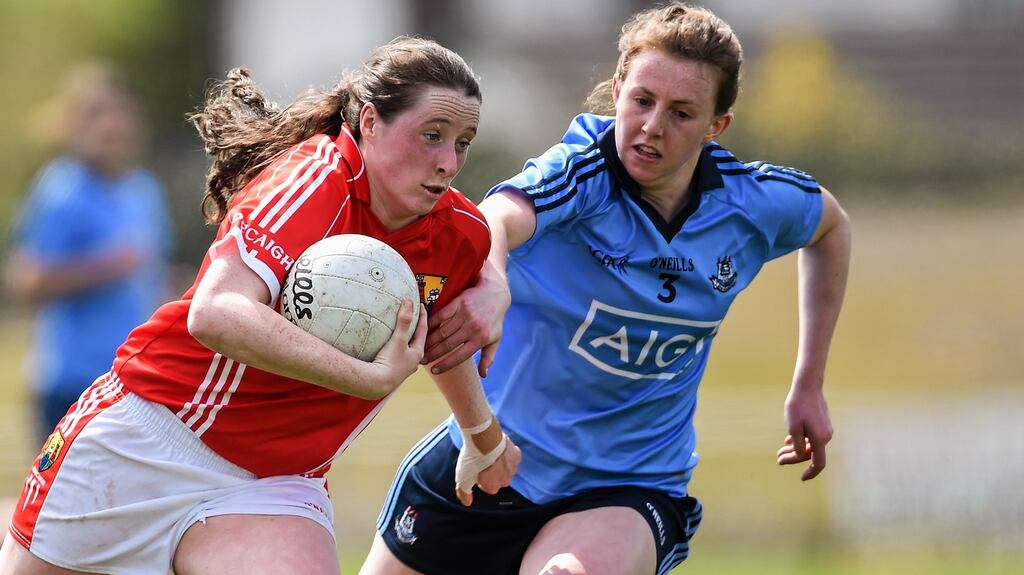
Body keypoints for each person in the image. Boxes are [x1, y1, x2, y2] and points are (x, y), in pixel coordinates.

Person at [0, 37, 519, 575]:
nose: (448, 162)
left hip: (276, 483)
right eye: (432, 135)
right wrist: (363, 378)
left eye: (463, 143)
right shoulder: (315, 181)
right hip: (155, 437)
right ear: (369, 122)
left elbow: (442, 332)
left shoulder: (460, 235)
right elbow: (216, 310)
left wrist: (483, 435)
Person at [362, 4, 851, 575]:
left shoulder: (751, 205)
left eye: (683, 113)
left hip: (627, 487)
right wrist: (492, 282)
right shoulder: (582, 174)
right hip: (493, 457)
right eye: (641, 101)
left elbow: (830, 226)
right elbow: (496, 215)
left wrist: (809, 382)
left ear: (717, 126)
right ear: (617, 89)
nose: (652, 126)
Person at [3, 63, 174, 445]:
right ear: (75, 125)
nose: (110, 125)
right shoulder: (62, 190)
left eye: (118, 113)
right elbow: (26, 280)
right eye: (97, 114)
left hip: (130, 381)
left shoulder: (143, 190)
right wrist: (105, 267)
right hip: (70, 384)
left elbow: (150, 275)